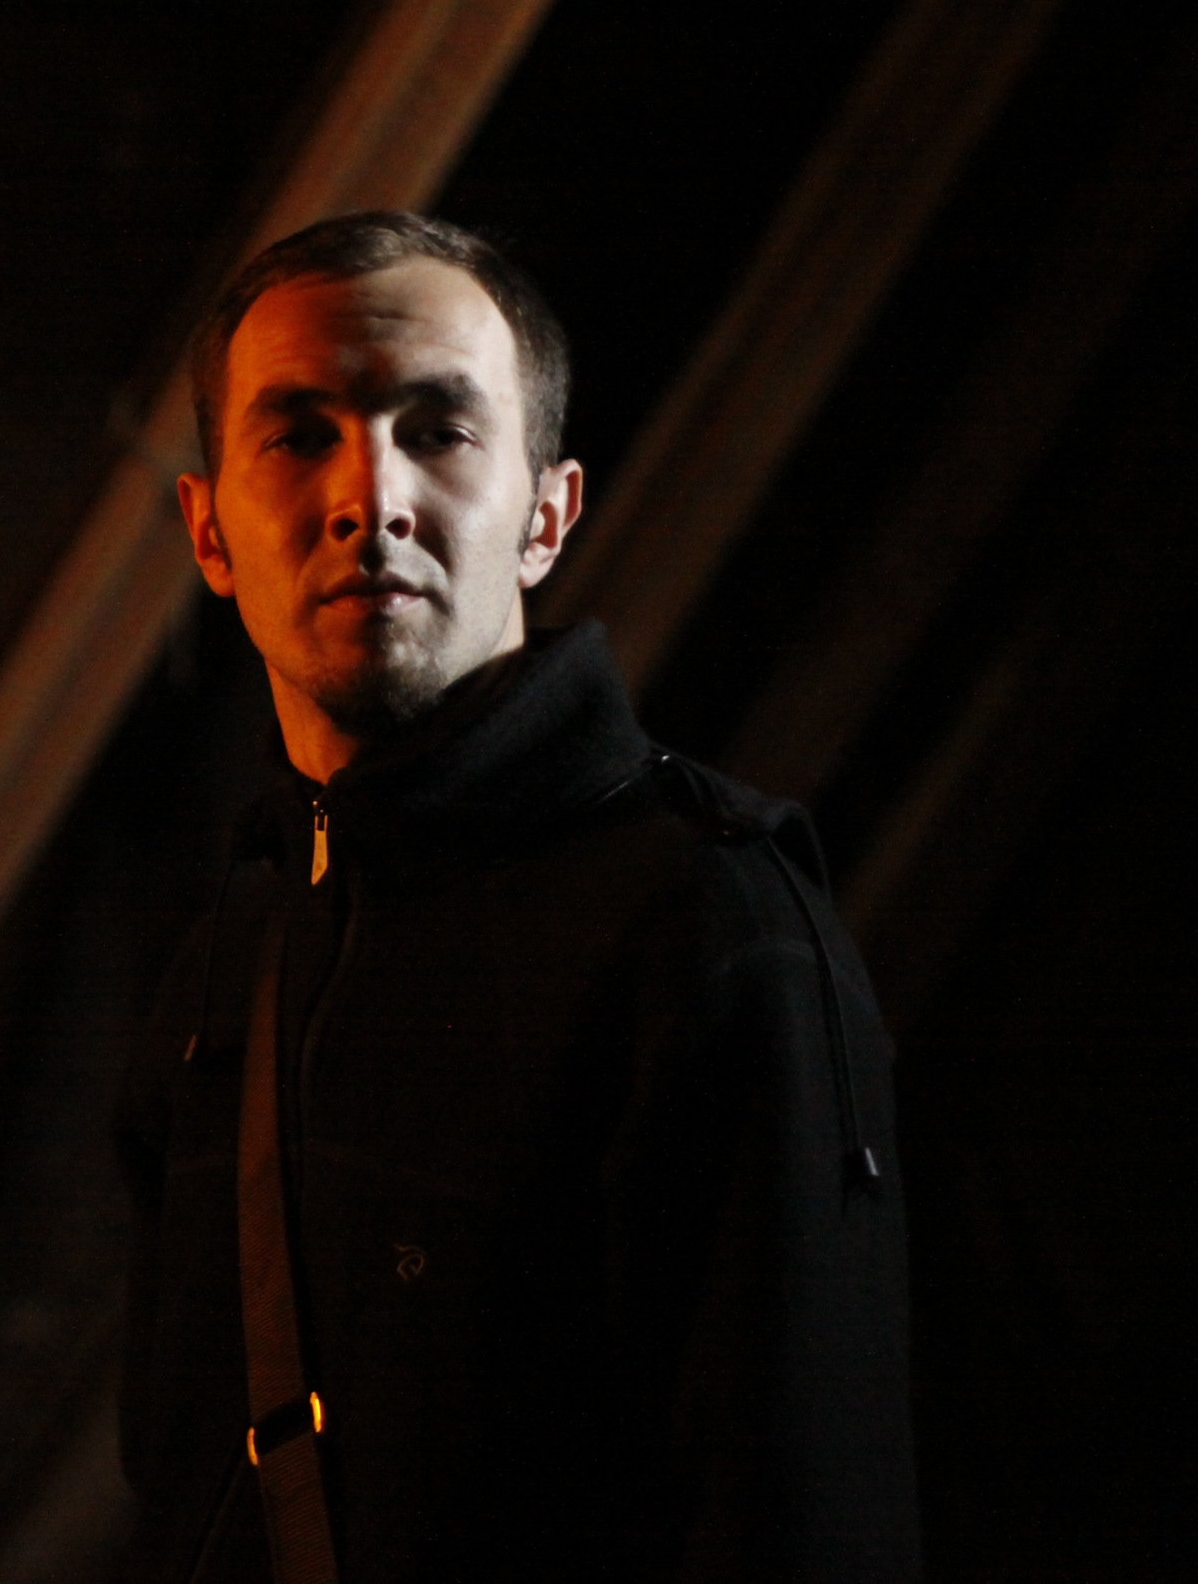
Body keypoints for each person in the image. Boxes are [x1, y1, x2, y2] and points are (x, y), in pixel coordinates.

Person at [114, 212, 921, 1583]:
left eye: (438, 431)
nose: (370, 496)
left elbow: (808, 1525)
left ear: (546, 515)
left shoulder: (709, 933)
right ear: (209, 530)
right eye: (298, 435)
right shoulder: (225, 968)